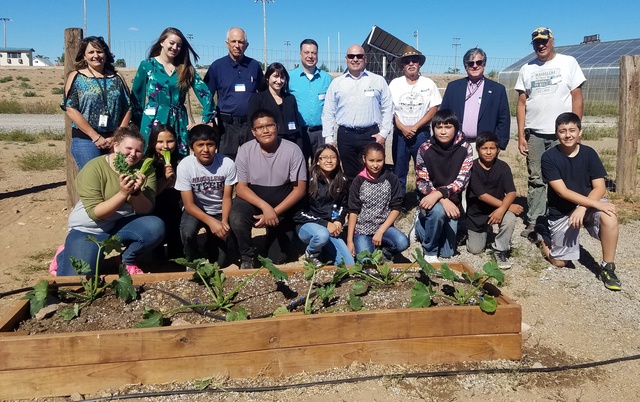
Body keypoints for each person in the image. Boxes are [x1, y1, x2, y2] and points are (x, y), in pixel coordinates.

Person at [49, 126, 164, 276]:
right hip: (89, 228)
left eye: (138, 151)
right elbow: (96, 213)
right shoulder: (94, 168)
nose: (133, 155)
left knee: (155, 227)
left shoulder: (145, 169)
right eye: (128, 148)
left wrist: (136, 193)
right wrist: (123, 193)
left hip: (119, 224)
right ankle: (63, 254)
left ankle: (124, 260)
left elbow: (145, 210)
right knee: (75, 282)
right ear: (115, 146)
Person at [515, 27, 586, 237]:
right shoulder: (526, 68)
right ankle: (535, 220)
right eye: (536, 42)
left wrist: (575, 129)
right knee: (536, 177)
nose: (541, 45)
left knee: (563, 176)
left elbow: (577, 97)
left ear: (552, 41)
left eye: (544, 41)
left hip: (561, 133)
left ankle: (562, 216)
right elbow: (521, 103)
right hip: (535, 132)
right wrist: (521, 134)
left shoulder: (568, 62)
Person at [539, 112, 621, 291]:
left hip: (588, 205)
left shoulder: (589, 153)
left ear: (580, 132)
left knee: (609, 214)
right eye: (562, 131)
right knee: (560, 262)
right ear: (556, 133)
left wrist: (583, 207)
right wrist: (584, 206)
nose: (567, 135)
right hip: (562, 210)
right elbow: (562, 192)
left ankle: (608, 267)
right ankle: (542, 234)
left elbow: (599, 187)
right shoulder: (549, 157)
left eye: (572, 130)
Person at [229, 109, 307, 268]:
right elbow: (242, 189)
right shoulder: (245, 150)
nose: (265, 130)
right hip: (254, 201)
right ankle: (247, 256)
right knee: (237, 217)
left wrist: (275, 212)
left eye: (269, 125)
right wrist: (265, 208)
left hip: (283, 205)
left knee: (277, 258)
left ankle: (272, 237)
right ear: (253, 131)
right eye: (259, 127)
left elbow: (299, 189)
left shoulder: (293, 150)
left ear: (277, 127)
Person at [131, 27, 215, 155]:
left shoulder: (186, 68)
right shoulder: (147, 65)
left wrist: (205, 120)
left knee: (177, 158)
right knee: (149, 156)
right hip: (153, 119)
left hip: (178, 119)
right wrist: (136, 123)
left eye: (179, 45)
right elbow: (137, 95)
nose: (175, 47)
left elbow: (205, 94)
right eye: (171, 43)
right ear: (162, 42)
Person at [321, 44, 393, 180]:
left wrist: (383, 134)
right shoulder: (337, 83)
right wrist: (329, 138)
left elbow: (388, 108)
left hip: (370, 135)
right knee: (349, 175)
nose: (355, 59)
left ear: (365, 59)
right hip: (345, 136)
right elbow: (328, 112)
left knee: (372, 173)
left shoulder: (377, 81)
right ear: (346, 59)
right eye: (351, 56)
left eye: (359, 56)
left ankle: (371, 201)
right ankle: (352, 201)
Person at [63, 36, 131, 170]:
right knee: (93, 180)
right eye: (91, 52)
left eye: (99, 52)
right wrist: (95, 137)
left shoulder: (117, 77)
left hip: (115, 138)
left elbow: (128, 107)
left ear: (106, 54)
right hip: (86, 139)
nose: (96, 55)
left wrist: (117, 136)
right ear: (84, 56)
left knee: (116, 178)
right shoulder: (76, 76)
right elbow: (70, 108)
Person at [414, 109, 473, 263]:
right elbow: (422, 181)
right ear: (433, 129)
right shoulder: (424, 148)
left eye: (448, 127)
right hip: (430, 198)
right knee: (438, 212)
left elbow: (462, 180)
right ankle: (430, 251)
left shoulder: (465, 148)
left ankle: (421, 227)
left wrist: (441, 194)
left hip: (450, 199)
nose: (443, 131)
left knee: (447, 252)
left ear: (456, 128)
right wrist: (441, 198)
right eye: (439, 127)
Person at [175, 125, 237, 266]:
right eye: (200, 145)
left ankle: (213, 245)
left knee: (219, 263)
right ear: (192, 147)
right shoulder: (185, 166)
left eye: (210, 144)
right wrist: (211, 222)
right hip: (196, 210)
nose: (205, 150)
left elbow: (227, 197)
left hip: (219, 210)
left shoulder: (227, 164)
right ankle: (192, 259)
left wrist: (224, 221)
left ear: (216, 146)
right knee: (187, 231)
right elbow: (189, 205)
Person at [465, 132, 523, 269]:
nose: (489, 152)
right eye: (485, 148)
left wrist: (503, 209)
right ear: (477, 149)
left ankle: (500, 250)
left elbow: (511, 192)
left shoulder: (503, 167)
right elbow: (482, 195)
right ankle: (472, 231)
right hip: (477, 213)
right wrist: (507, 206)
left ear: (498, 150)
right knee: (475, 250)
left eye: (492, 148)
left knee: (510, 218)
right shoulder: (472, 168)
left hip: (497, 209)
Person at [388, 46, 441, 195]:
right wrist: (402, 127)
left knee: (423, 169)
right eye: (407, 61)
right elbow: (390, 109)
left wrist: (416, 126)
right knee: (399, 169)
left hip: (421, 134)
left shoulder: (428, 84)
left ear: (419, 64)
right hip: (400, 134)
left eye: (414, 61)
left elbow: (434, 108)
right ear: (402, 65)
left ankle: (423, 200)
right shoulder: (394, 84)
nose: (411, 64)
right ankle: (399, 202)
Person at [204, 27, 263, 159]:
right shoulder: (217, 67)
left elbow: (263, 92)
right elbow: (206, 95)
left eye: (241, 42)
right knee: (226, 160)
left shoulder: (254, 66)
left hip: (250, 124)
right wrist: (208, 119)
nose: (237, 45)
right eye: (233, 41)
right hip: (227, 126)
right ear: (227, 43)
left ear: (246, 45)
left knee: (253, 158)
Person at [294, 144, 354, 267]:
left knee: (349, 265)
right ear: (317, 161)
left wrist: (339, 220)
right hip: (308, 226)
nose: (329, 160)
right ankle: (312, 253)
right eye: (324, 157)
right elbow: (298, 213)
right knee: (322, 235)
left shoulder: (342, 180)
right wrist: (325, 224)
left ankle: (324, 252)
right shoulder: (307, 180)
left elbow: (343, 204)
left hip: (331, 228)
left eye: (333, 157)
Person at [347, 142, 408, 262]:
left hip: (383, 226)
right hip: (363, 229)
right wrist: (349, 241)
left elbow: (396, 207)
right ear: (364, 159)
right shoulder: (358, 181)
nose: (375, 165)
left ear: (384, 159)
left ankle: (385, 252)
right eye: (371, 160)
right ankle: (369, 245)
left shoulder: (391, 178)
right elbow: (353, 211)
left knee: (402, 243)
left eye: (379, 160)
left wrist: (381, 231)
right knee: (366, 261)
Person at [440, 48, 510, 151]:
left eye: (479, 62)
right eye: (470, 63)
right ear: (465, 67)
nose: (475, 66)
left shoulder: (497, 90)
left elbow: (504, 119)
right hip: (456, 145)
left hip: (484, 146)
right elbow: (443, 115)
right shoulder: (453, 87)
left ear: (484, 64)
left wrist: (499, 144)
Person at [289, 39, 333, 160]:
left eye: (313, 53)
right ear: (300, 54)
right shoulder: (290, 78)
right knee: (299, 168)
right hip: (299, 133)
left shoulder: (327, 79)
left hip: (321, 133)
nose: (310, 56)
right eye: (306, 52)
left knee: (321, 168)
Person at [145, 124, 184, 259]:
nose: (165, 146)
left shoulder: (181, 161)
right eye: (160, 142)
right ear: (152, 142)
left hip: (177, 203)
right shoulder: (148, 163)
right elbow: (150, 194)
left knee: (176, 227)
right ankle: (157, 253)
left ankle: (176, 254)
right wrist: (166, 179)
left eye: (170, 141)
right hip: (156, 204)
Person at [247, 62, 303, 152]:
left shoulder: (290, 98)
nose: (279, 81)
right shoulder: (257, 98)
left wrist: (299, 147)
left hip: (290, 144)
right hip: (267, 146)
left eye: (282, 77)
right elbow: (251, 124)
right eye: (275, 76)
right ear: (267, 78)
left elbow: (298, 125)